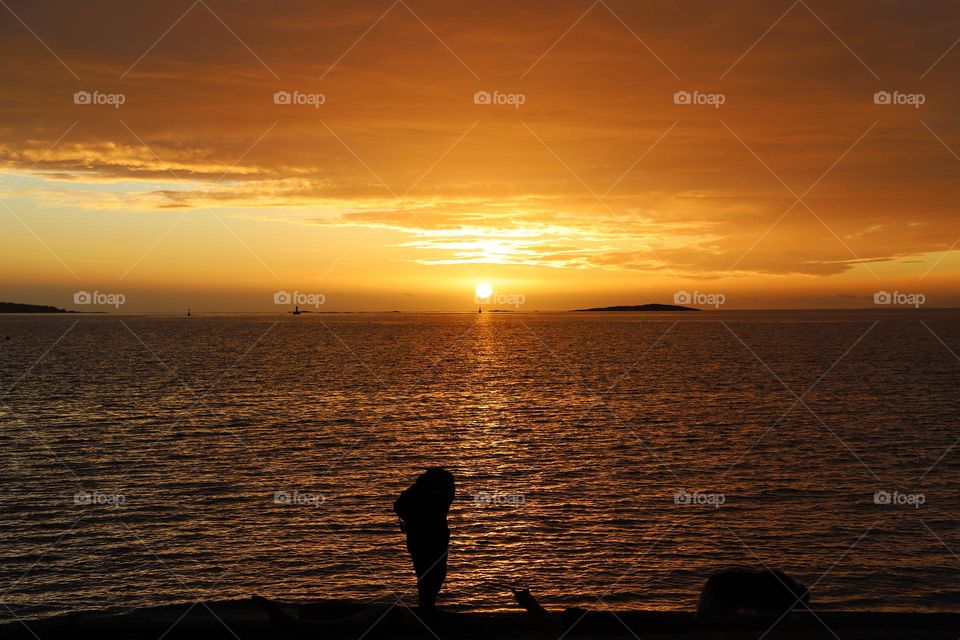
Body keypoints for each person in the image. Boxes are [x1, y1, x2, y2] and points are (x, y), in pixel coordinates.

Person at [394, 467, 455, 610]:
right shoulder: (419, 491)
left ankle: (427, 606)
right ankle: (426, 607)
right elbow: (398, 506)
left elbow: (446, 501)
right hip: (423, 539)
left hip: (433, 538)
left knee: (435, 574)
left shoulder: (437, 491)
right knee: (428, 575)